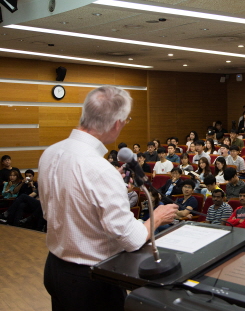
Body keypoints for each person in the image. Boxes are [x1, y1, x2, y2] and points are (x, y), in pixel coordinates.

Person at [39, 86, 178, 311]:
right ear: (117, 123)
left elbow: (49, 212)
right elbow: (131, 239)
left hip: (55, 267)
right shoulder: (101, 170)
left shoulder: (51, 152)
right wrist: (157, 217)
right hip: (91, 280)